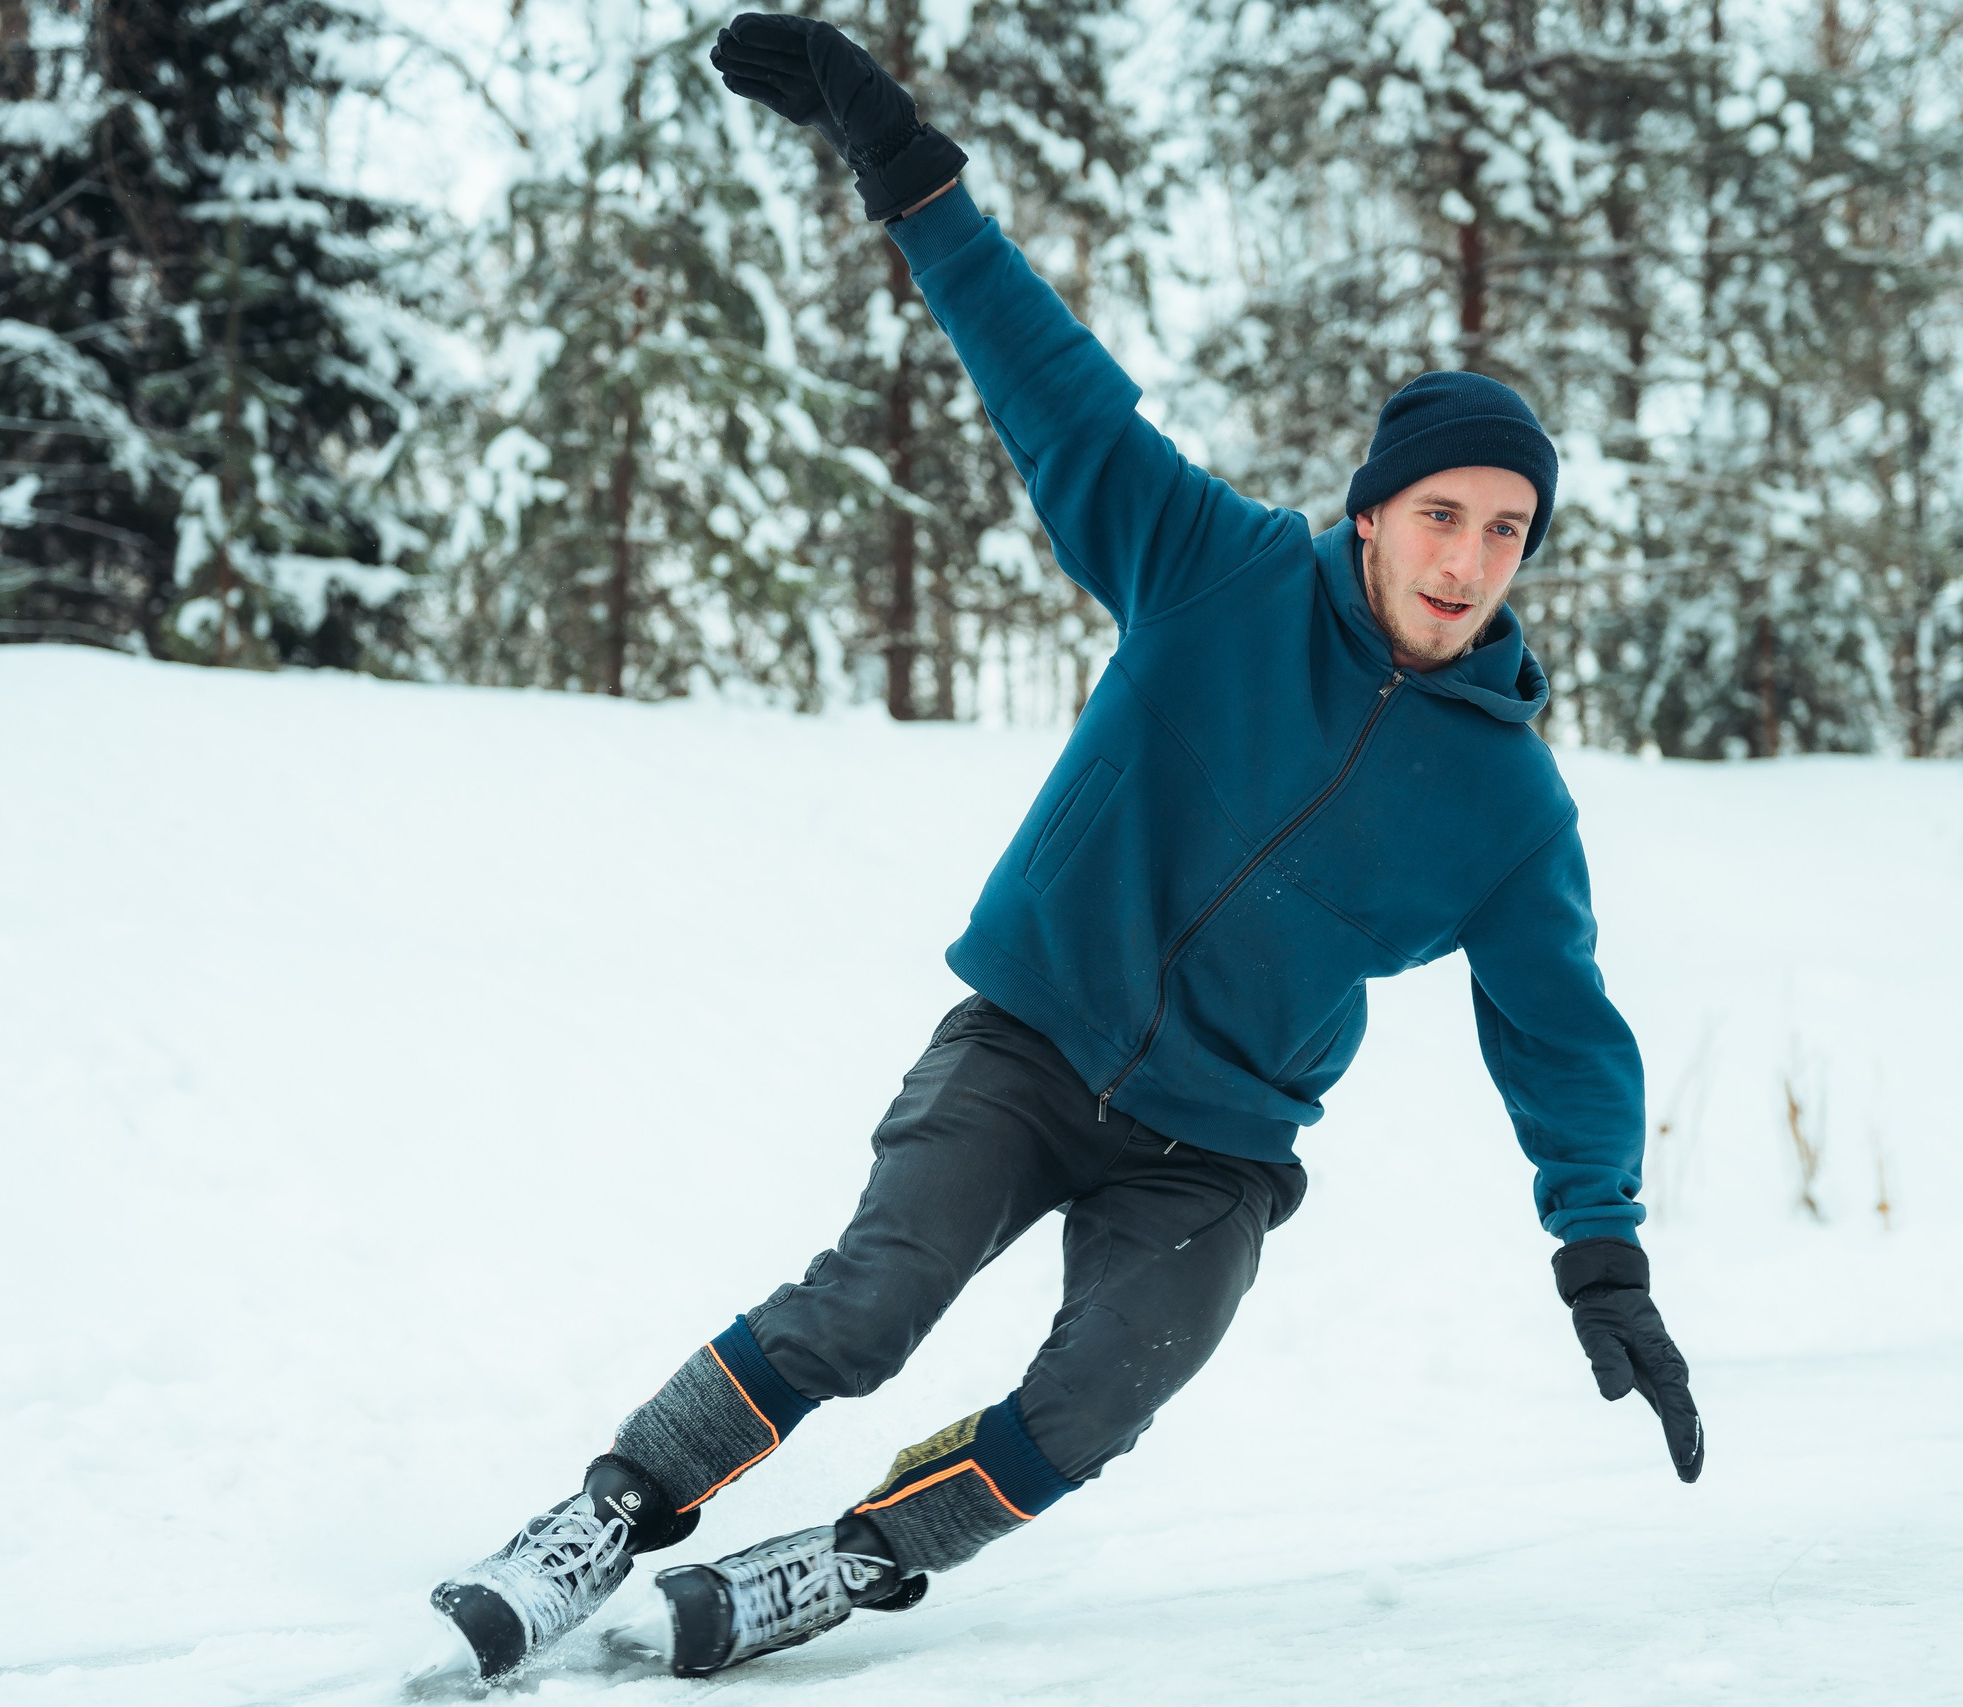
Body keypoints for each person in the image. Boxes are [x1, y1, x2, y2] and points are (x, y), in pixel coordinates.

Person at [420, 13, 1703, 1684]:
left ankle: (857, 1560)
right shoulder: (1214, 569)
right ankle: (606, 1511)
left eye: (1507, 531)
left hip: (1215, 1149)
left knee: (1106, 1392)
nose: (1469, 560)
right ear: (1374, 509)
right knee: (865, 1306)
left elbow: (1558, 1022)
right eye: (1442, 514)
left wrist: (1599, 1248)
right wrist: (902, 166)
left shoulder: (1511, 803)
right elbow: (1047, 377)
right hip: (1030, 1042)